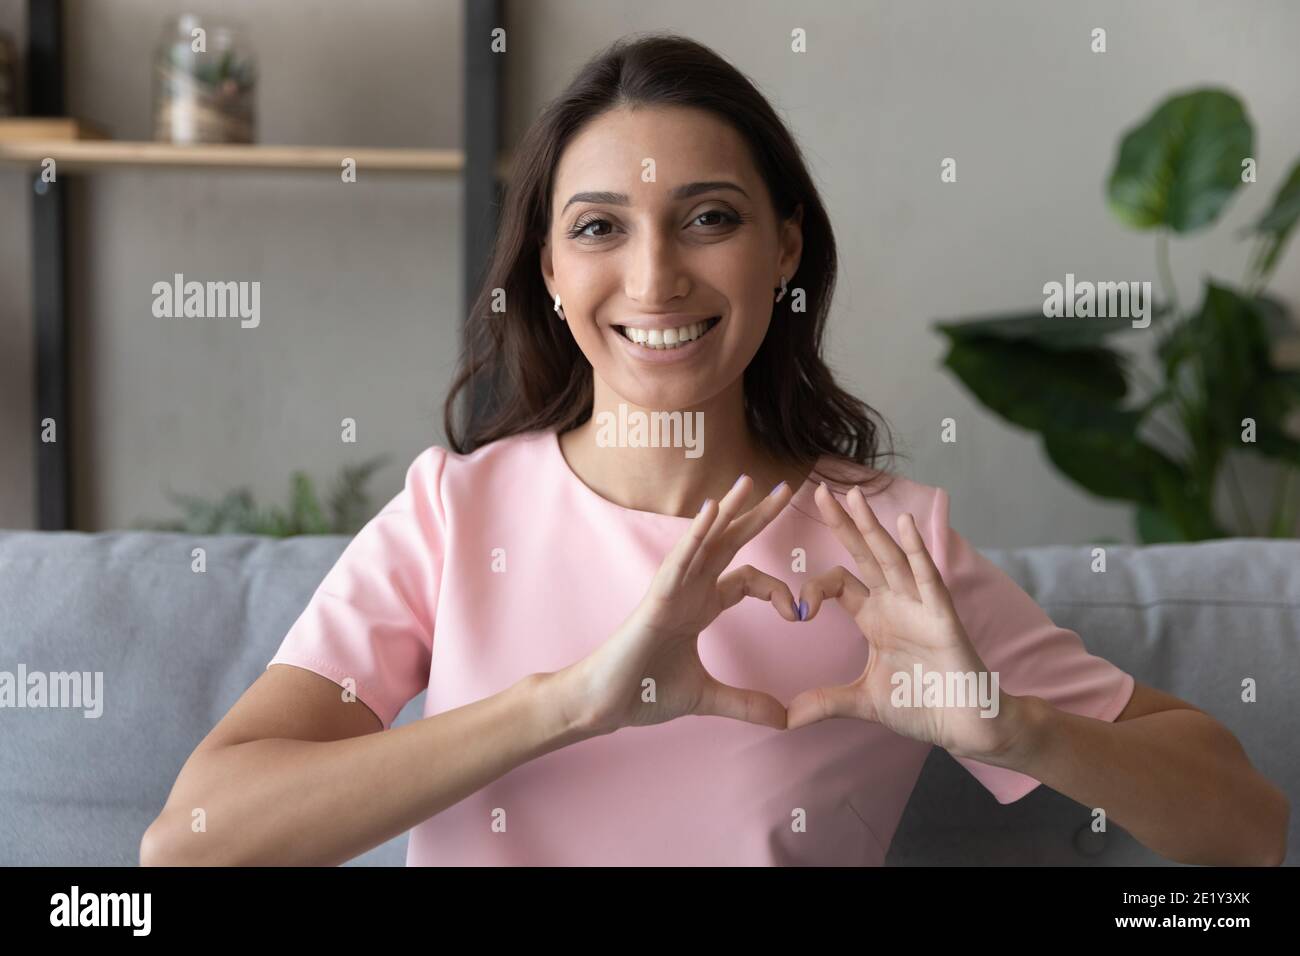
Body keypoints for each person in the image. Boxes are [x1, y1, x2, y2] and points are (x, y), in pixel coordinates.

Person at [140, 33, 1287, 867]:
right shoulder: (455, 513)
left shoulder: (888, 547)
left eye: (709, 217)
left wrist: (1012, 725)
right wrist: (570, 701)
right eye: (599, 227)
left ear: (783, 246)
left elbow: (1246, 826)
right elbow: (187, 846)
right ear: (549, 271)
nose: (655, 278)